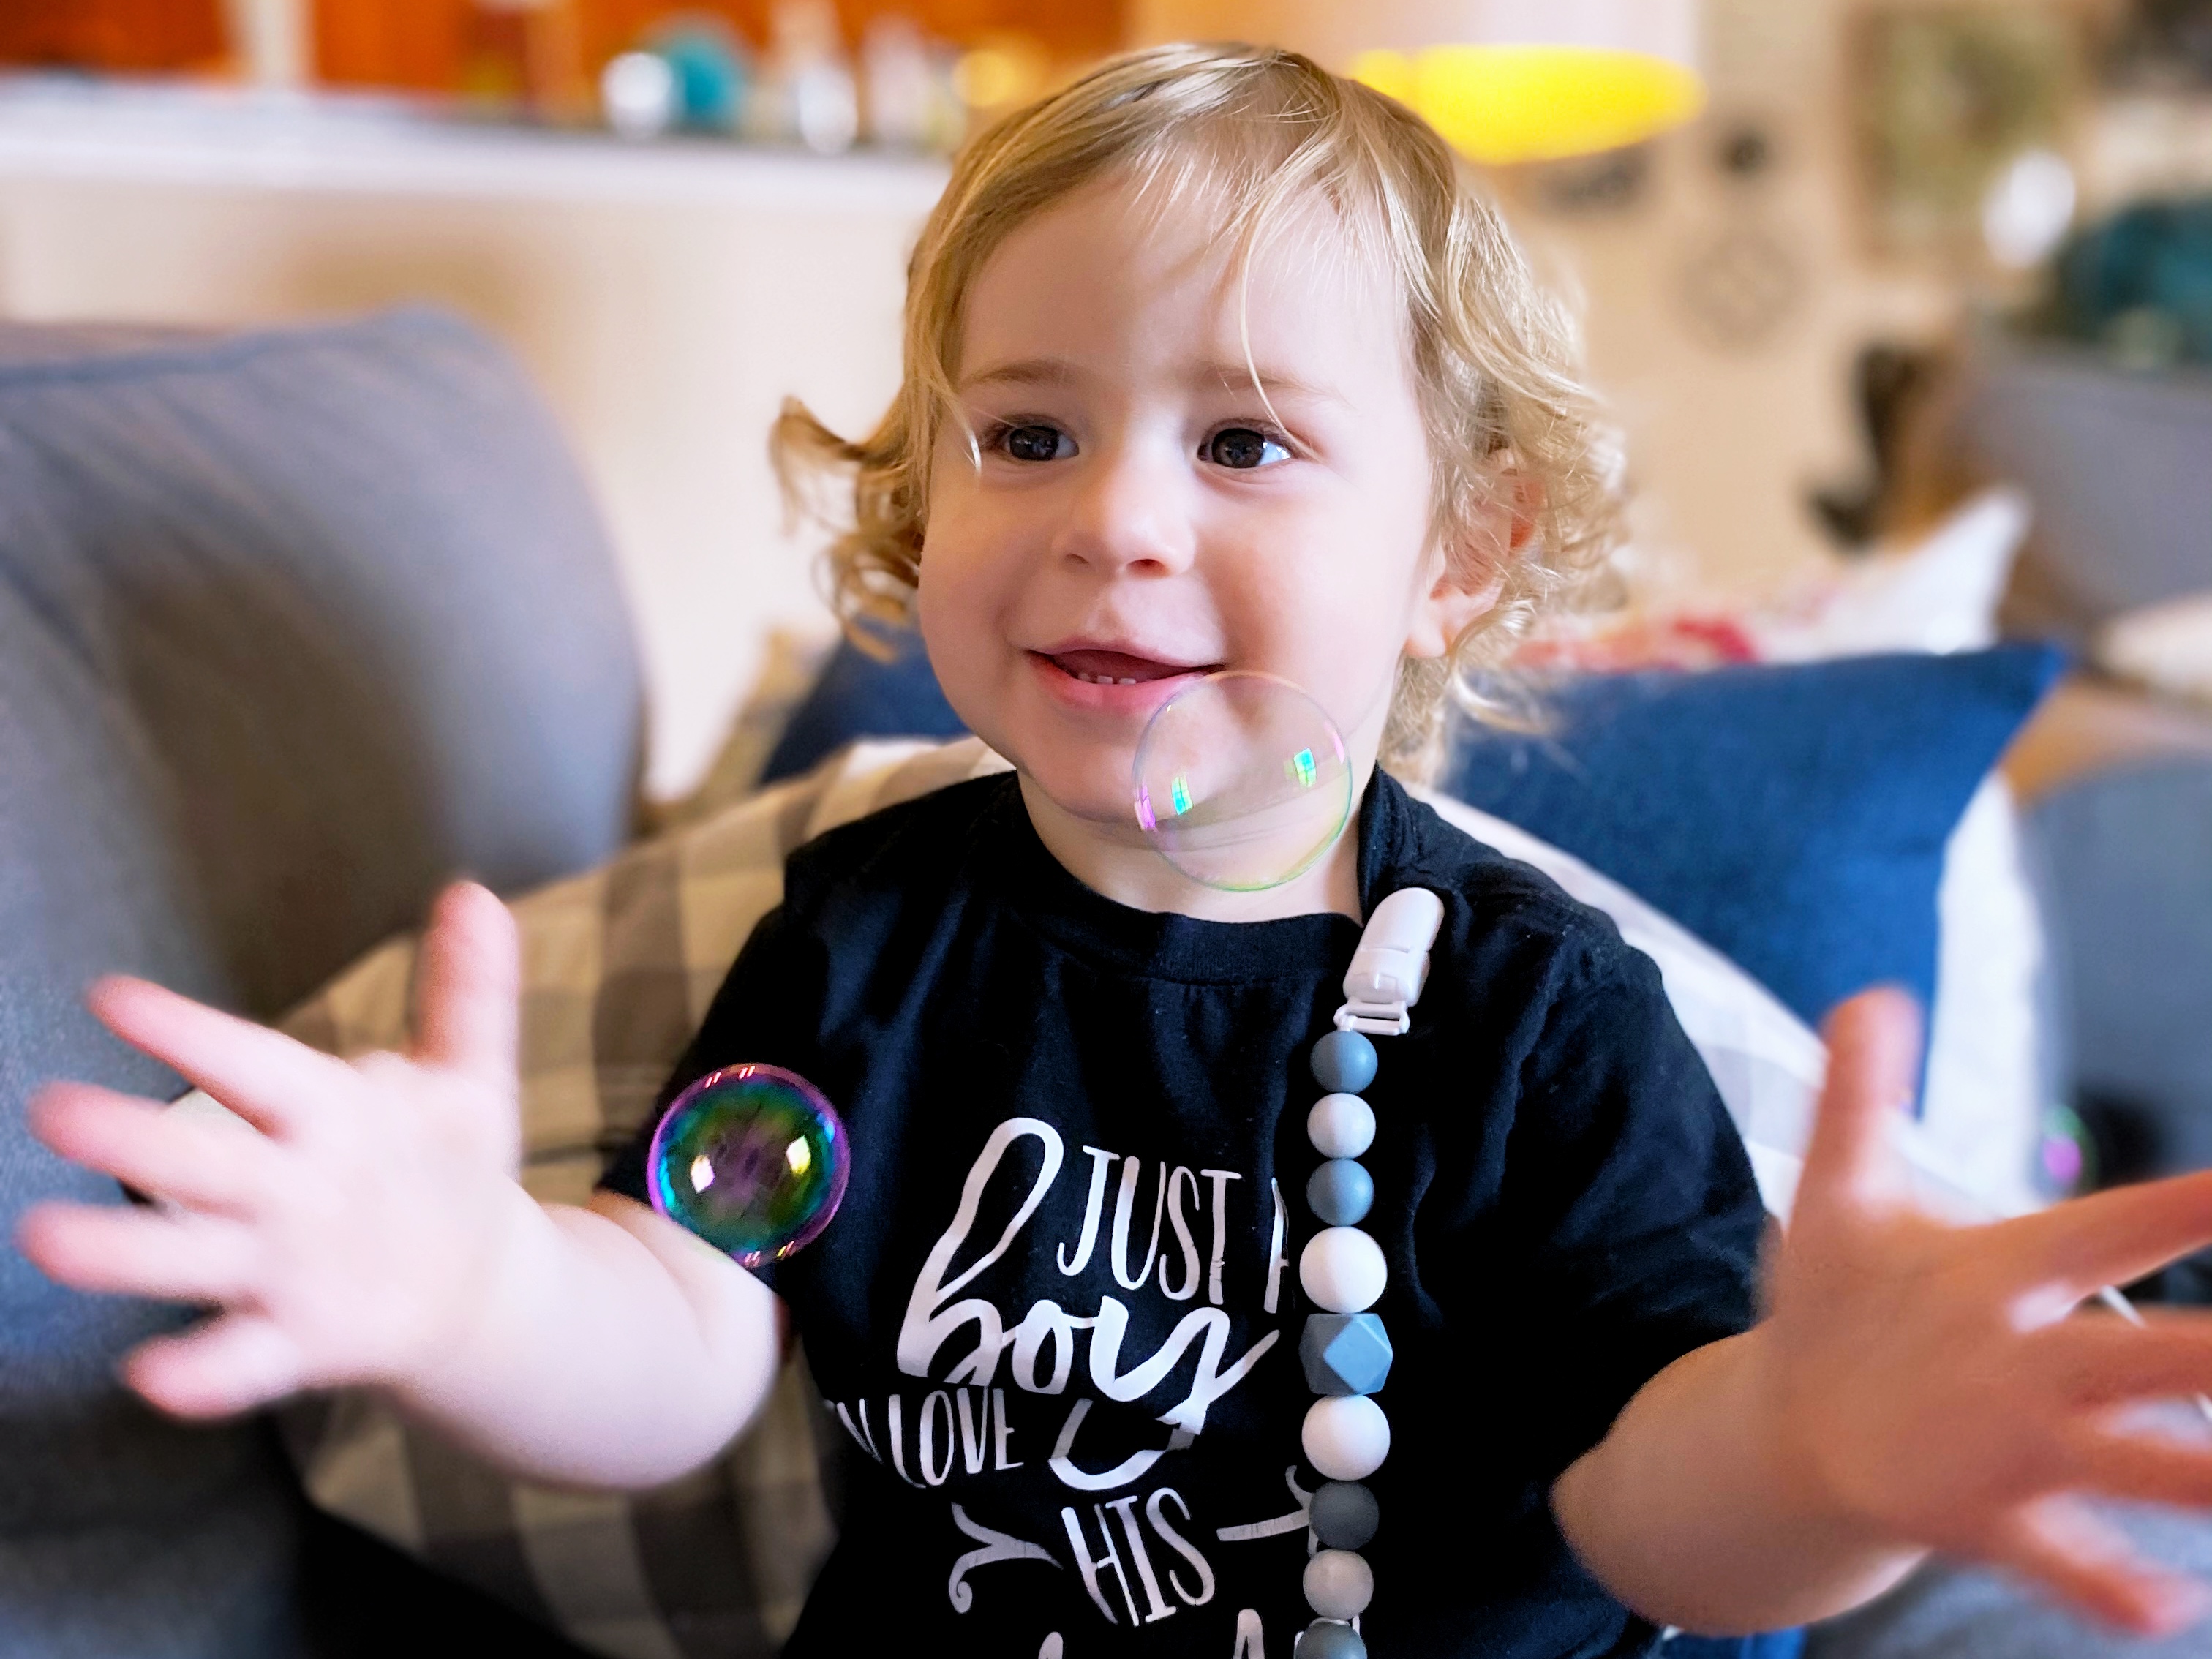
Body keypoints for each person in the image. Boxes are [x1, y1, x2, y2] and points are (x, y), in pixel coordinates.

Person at [22, 45, 2212, 1659]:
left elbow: (1657, 1511)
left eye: (1247, 437)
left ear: (1463, 549)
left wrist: (1826, 1459)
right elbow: (694, 1330)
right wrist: (487, 1286)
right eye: (1031, 431)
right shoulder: (871, 930)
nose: (1114, 515)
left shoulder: (1534, 1024)